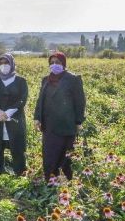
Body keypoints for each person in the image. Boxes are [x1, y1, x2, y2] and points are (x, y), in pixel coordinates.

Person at [34, 52, 86, 182]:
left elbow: (80, 102)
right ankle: (50, 182)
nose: (54, 65)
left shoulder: (73, 79)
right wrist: (37, 118)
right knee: (49, 155)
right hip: (49, 125)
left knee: (65, 155)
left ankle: (66, 182)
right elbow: (40, 100)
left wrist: (78, 121)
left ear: (64, 64)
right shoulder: (46, 80)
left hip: (66, 125)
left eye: (57, 62)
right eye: (51, 63)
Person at [0, 53, 28, 176]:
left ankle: (19, 175)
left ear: (12, 64)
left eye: (6, 63)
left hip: (14, 120)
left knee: (17, 148)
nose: (4, 65)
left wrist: (8, 113)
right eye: (1, 63)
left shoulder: (21, 81)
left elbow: (22, 99)